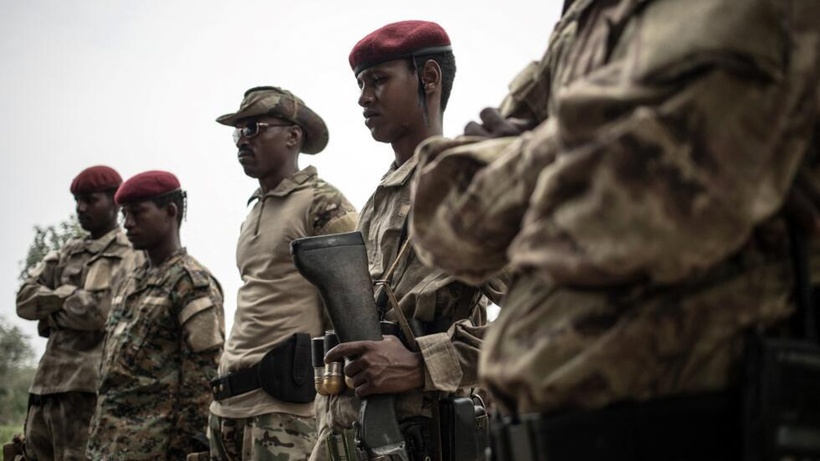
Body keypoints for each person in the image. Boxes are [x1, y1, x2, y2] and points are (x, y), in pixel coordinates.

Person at [409, 1, 820, 459]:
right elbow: (442, 223)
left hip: (697, 427)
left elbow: (635, 203)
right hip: (544, 433)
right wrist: (570, 146)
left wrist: (517, 151)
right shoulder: (583, 17)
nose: (363, 98)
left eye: (377, 81)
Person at [312, 20, 509, 461]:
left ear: (429, 78)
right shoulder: (379, 198)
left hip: (424, 439)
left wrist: (423, 363)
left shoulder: (467, 184)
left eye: (378, 80)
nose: (363, 97)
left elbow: (547, 315)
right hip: (351, 436)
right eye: (361, 84)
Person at [208, 86, 358, 460]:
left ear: (293, 136)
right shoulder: (253, 211)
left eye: (253, 128)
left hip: (284, 411)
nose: (242, 140)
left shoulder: (322, 202)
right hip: (228, 405)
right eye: (238, 131)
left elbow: (354, 301)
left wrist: (336, 399)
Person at [86, 170, 225, 460]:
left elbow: (203, 380)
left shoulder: (190, 282)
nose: (127, 223)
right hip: (107, 445)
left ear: (170, 211)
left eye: (138, 213)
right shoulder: (131, 281)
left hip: (154, 447)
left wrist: (186, 450)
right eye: (124, 214)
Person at [14, 165, 143, 461]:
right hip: (45, 386)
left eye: (90, 200)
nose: (81, 208)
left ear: (114, 201)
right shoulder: (66, 252)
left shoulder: (129, 253)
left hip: (87, 389)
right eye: (77, 201)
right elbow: (23, 301)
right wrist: (71, 298)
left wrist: (50, 310)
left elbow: (98, 313)